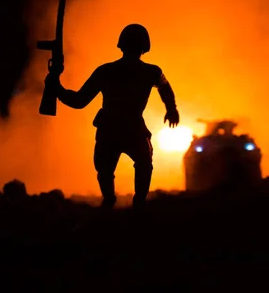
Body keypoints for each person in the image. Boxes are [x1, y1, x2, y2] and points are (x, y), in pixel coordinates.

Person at [46, 24, 180, 209]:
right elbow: (79, 100)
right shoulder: (148, 72)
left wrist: (56, 87)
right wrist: (56, 87)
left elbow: (79, 100)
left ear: (121, 45)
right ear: (144, 47)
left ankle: (122, 202)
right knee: (124, 166)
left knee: (124, 166)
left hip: (117, 128)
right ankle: (125, 202)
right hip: (121, 128)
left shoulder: (108, 71)